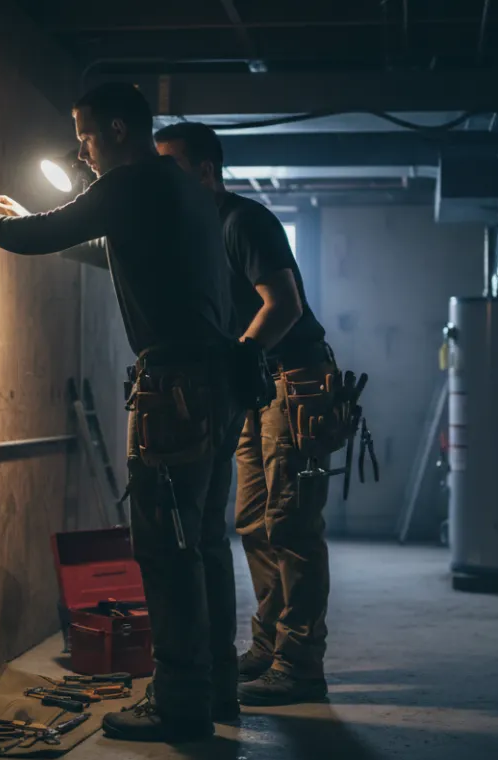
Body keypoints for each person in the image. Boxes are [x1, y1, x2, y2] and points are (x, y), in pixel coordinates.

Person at [0, 83, 244, 742]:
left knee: (166, 551)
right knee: (201, 543)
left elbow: (59, 230)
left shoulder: (130, 182)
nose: (82, 151)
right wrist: (22, 217)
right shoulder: (186, 193)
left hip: (174, 392)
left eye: (85, 134)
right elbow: (100, 243)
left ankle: (178, 704)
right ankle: (215, 690)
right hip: (216, 384)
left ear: (117, 129)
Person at [154, 122, 335, 707]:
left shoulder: (242, 221)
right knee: (253, 522)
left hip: (292, 377)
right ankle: (267, 647)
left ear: (206, 170)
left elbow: (283, 303)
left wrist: (241, 358)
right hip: (253, 382)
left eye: (173, 166)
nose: (164, 180)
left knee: (292, 524)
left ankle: (301, 662)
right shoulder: (192, 230)